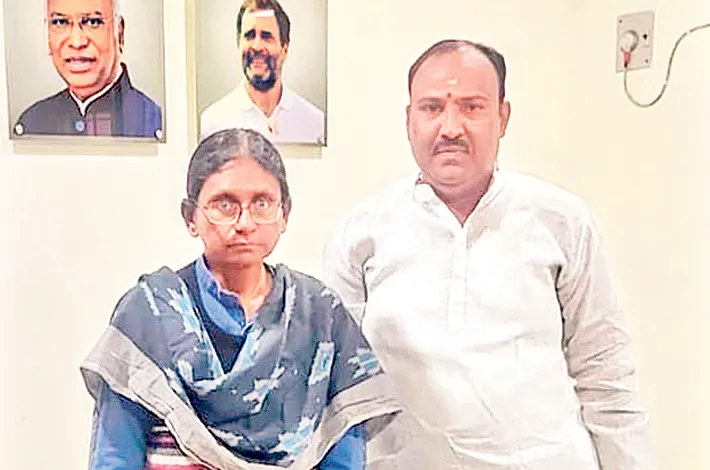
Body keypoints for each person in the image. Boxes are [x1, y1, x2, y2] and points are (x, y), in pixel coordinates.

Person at [322, 39, 657, 469]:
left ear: (503, 117)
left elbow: (606, 375)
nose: (450, 128)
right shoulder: (360, 233)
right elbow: (339, 391)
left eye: (472, 107)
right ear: (409, 120)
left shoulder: (561, 220)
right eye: (431, 108)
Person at [80, 128, 399, 469]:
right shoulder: (149, 313)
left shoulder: (320, 316)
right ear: (190, 217)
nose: (245, 223)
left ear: (284, 214)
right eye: (224, 204)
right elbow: (115, 455)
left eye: (262, 203)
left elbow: (342, 450)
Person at [13, 0, 162, 139]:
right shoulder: (33, 122)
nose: (77, 43)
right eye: (60, 22)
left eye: (93, 22)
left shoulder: (153, 122)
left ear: (119, 33)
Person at [200, 0, 325, 145]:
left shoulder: (314, 124)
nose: (257, 46)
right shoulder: (212, 125)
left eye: (266, 36)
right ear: (238, 44)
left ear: (284, 49)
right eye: (249, 35)